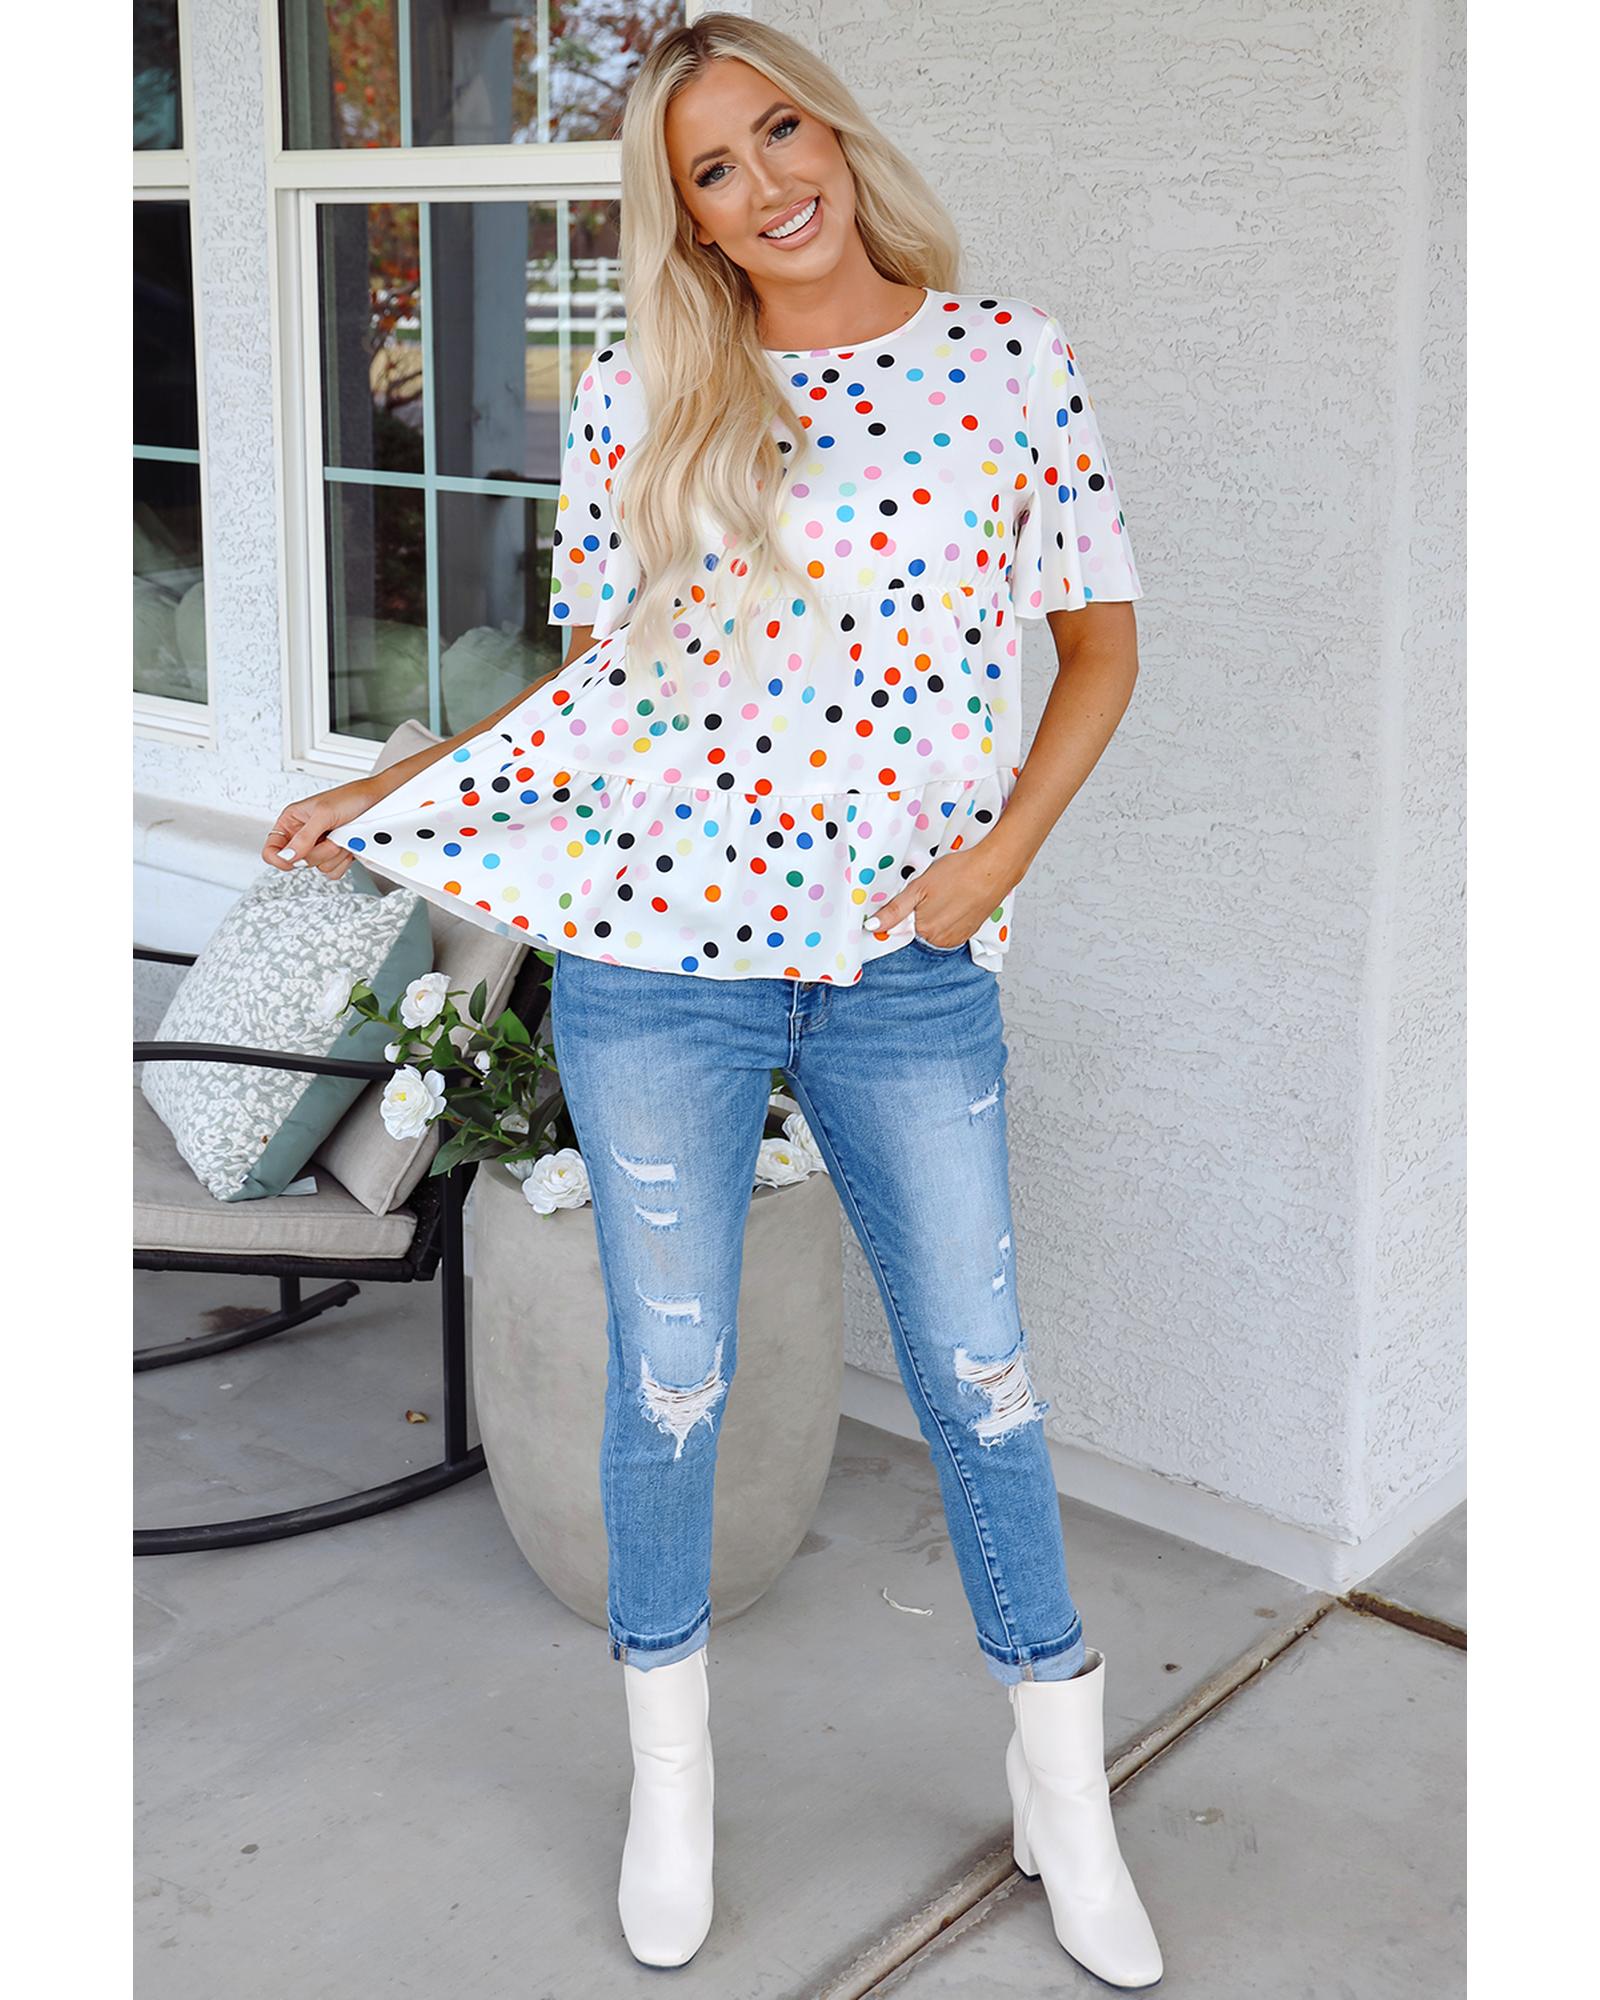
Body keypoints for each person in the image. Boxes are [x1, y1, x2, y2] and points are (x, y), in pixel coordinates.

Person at [261, 12, 1161, 1987]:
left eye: (778, 132)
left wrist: (995, 861)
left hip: (907, 971)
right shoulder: (643, 391)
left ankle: (1062, 1789)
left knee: (980, 1376)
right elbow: (597, 696)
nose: (767, 186)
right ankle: (669, 1784)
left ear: (834, 130)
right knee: (672, 1376)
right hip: (656, 970)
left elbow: (1098, 647)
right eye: (712, 172)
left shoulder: (1006, 361)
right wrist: (388, 796)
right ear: (683, 217)